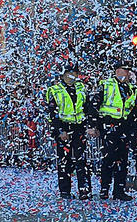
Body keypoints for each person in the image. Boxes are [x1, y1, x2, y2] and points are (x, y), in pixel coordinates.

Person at [88, 61, 137, 201]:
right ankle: (104, 189)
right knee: (108, 159)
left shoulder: (131, 89)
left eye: (129, 70)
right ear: (117, 71)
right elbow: (94, 105)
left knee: (122, 161)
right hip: (109, 126)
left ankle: (119, 190)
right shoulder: (106, 85)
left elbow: (136, 110)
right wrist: (94, 125)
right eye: (125, 70)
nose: (128, 73)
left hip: (124, 128)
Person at [46, 64, 92, 200]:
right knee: (64, 161)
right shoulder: (55, 90)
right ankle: (65, 191)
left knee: (82, 160)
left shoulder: (81, 88)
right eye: (69, 74)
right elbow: (53, 113)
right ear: (63, 75)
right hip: (64, 128)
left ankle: (84, 190)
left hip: (79, 128)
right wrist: (60, 131)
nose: (72, 77)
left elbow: (87, 107)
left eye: (74, 74)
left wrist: (89, 125)